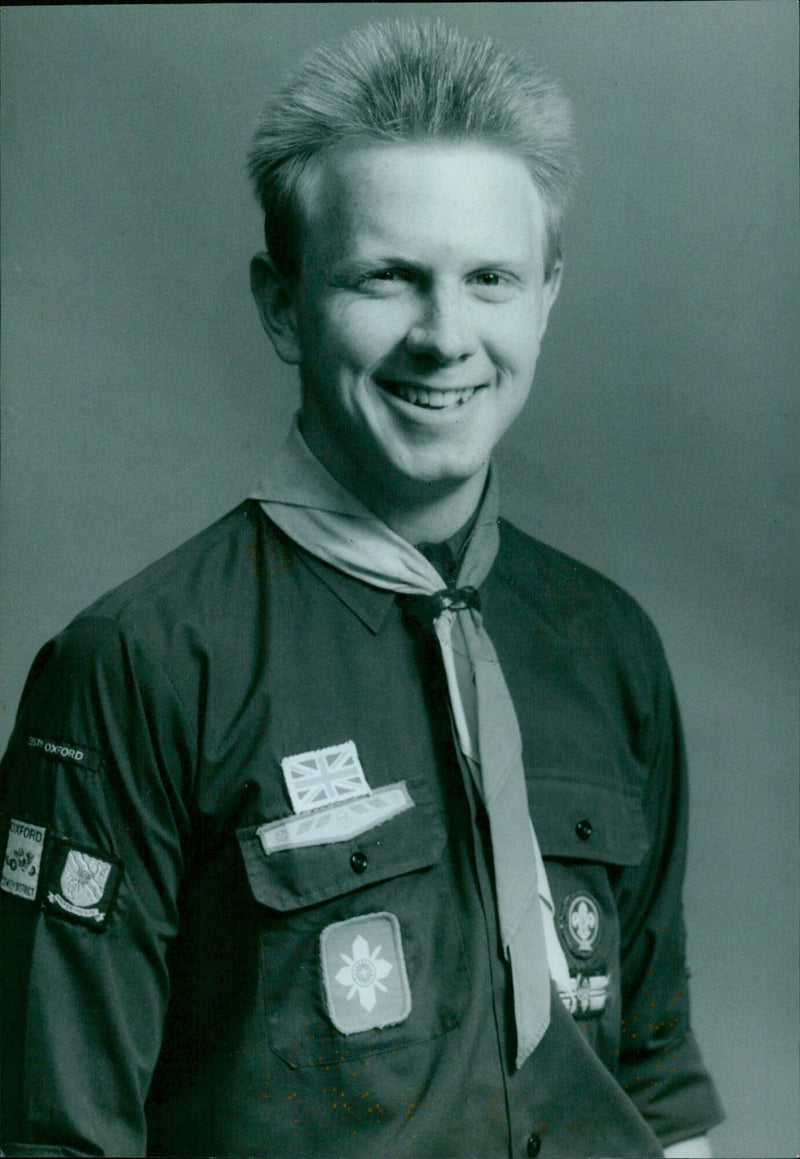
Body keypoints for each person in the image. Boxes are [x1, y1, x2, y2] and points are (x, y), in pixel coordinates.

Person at [0, 20, 724, 1159]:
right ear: (284, 306)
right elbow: (56, 1134)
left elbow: (656, 1080)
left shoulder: (605, 642)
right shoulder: (138, 664)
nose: (445, 337)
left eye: (488, 278)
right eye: (386, 277)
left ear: (543, 299)